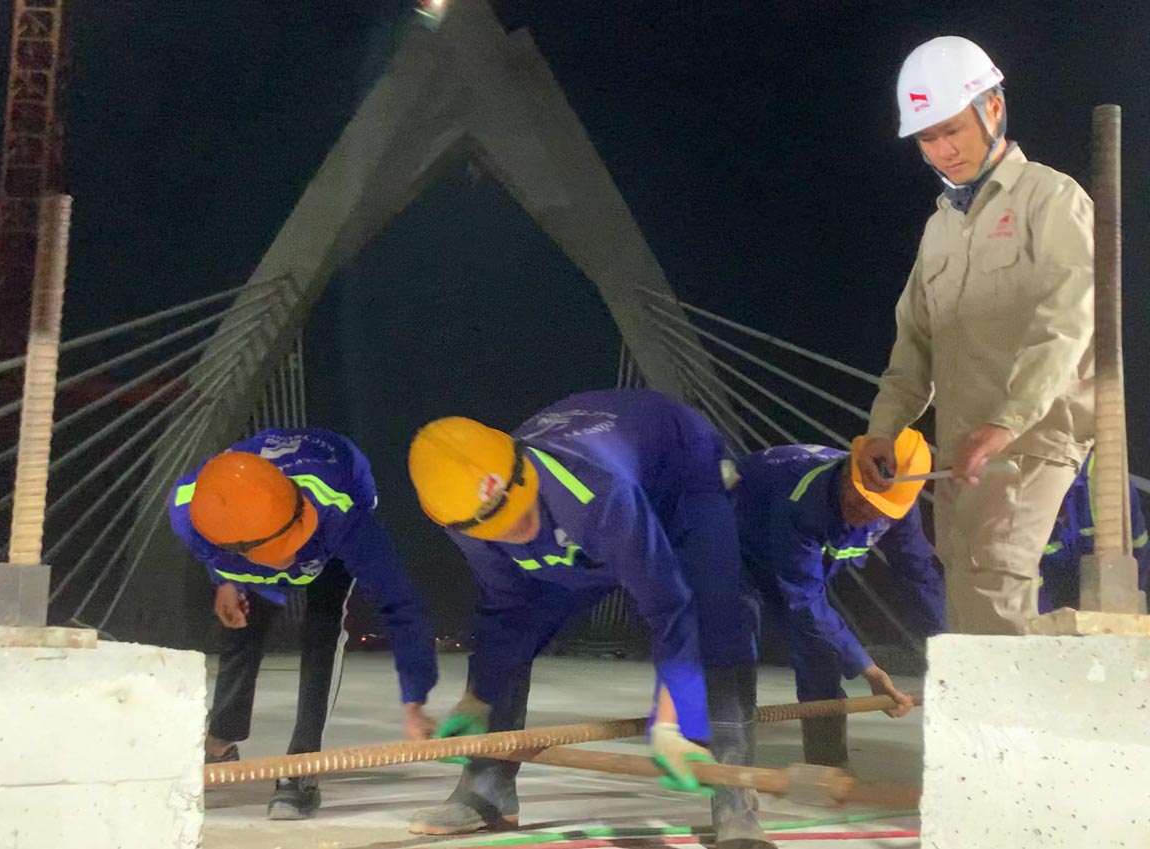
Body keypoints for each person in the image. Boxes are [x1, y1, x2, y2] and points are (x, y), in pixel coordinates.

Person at [407, 389, 773, 849]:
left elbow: (668, 605)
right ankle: (486, 788)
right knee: (517, 629)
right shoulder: (463, 516)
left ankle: (731, 793)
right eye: (496, 528)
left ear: (523, 471)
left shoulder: (593, 489)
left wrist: (671, 721)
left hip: (680, 469)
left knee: (718, 613)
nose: (519, 532)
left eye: (518, 511)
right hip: (590, 515)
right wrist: (477, 699)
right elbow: (506, 610)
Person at [856, 36, 1095, 635]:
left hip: (1034, 430)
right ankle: (995, 719)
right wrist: (884, 429)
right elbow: (913, 343)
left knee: (991, 569)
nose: (941, 151)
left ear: (993, 109)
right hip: (964, 444)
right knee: (962, 570)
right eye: (927, 139)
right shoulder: (940, 229)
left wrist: (1008, 421)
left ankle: (1013, 728)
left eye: (952, 130)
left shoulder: (1051, 197)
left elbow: (1068, 319)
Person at [168, 428, 438, 820]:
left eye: (294, 537)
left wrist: (415, 695)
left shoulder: (343, 515)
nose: (291, 555)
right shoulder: (191, 513)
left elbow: (399, 601)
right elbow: (216, 553)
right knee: (242, 624)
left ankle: (302, 766)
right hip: (251, 524)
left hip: (327, 517)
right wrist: (226, 581)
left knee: (322, 633)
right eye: (278, 549)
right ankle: (219, 744)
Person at [730, 431, 944, 769]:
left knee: (822, 652)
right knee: (737, 641)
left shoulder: (899, 507)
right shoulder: (802, 498)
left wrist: (953, 649)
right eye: (857, 495)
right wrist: (868, 669)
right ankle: (731, 768)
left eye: (875, 507)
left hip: (792, 558)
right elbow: (803, 600)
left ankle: (826, 768)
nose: (860, 510)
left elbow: (918, 576)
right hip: (735, 543)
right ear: (848, 469)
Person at [1039, 453, 1150, 613]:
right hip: (1051, 603)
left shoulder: (1110, 483)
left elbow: (1138, 553)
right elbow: (1027, 583)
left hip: (1109, 603)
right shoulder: (1021, 489)